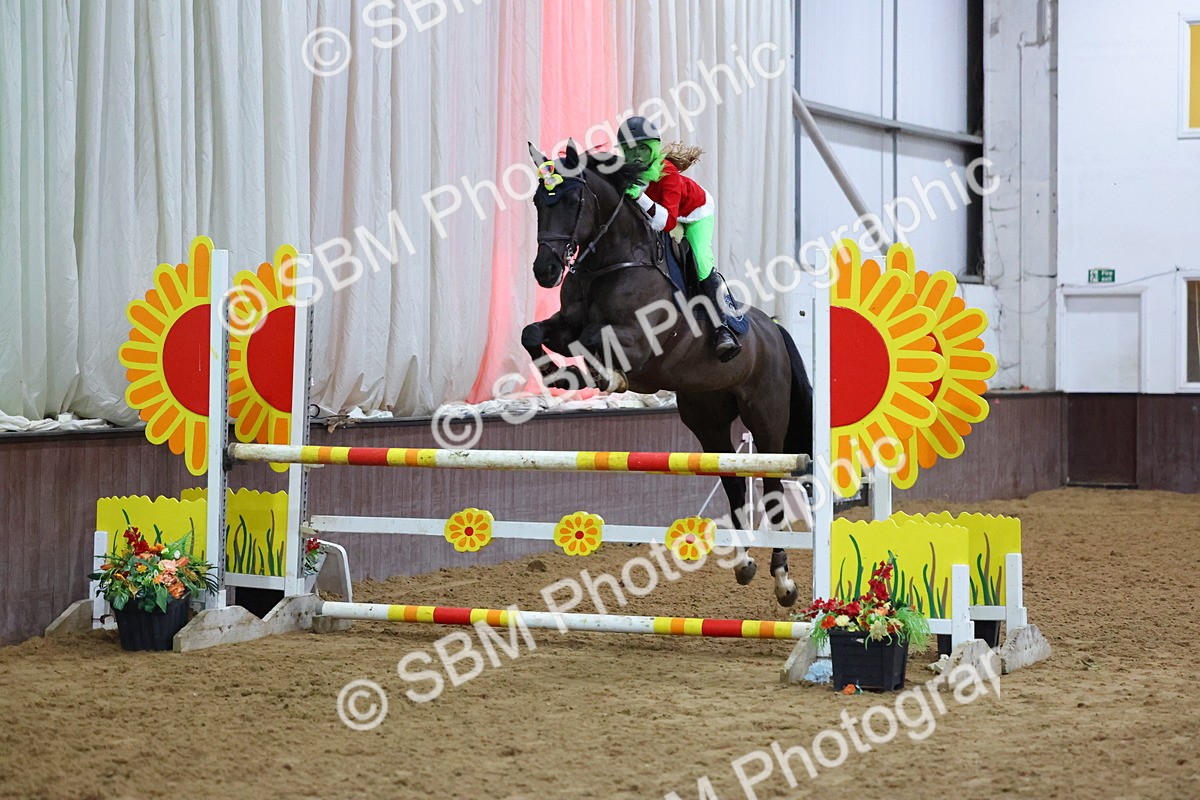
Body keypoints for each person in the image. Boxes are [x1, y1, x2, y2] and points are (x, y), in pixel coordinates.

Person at [616, 116, 741, 362]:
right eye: (631, 151)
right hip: (661, 212)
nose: (638, 156)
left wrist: (640, 196)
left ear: (653, 147)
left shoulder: (667, 172)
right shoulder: (624, 173)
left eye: (643, 148)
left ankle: (722, 327)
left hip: (694, 213)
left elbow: (669, 222)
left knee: (701, 260)